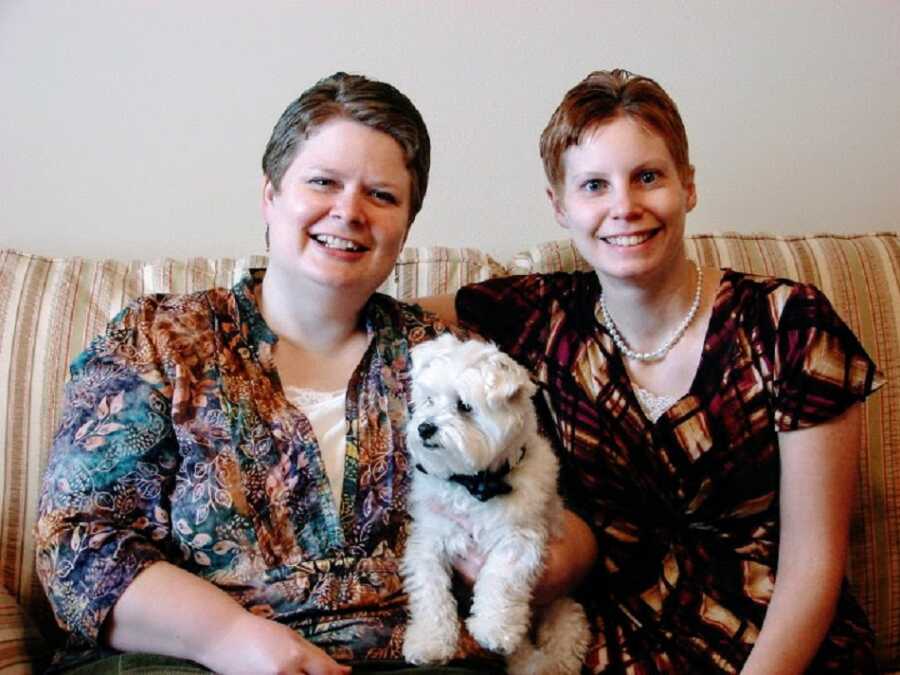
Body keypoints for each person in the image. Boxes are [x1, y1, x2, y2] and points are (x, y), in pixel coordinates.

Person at [35, 72, 596, 675]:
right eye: (323, 182)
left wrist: (555, 562)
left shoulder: (448, 359)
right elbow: (77, 546)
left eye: (381, 195)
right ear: (271, 195)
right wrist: (231, 639)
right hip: (188, 661)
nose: (349, 211)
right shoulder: (159, 340)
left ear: (406, 225)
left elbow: (559, 502)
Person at [419, 69, 884, 673]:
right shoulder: (540, 316)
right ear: (559, 206)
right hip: (624, 646)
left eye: (647, 177)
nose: (625, 207)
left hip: (783, 646)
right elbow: (381, 313)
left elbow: (815, 561)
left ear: (687, 186)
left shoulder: (789, 324)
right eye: (594, 185)